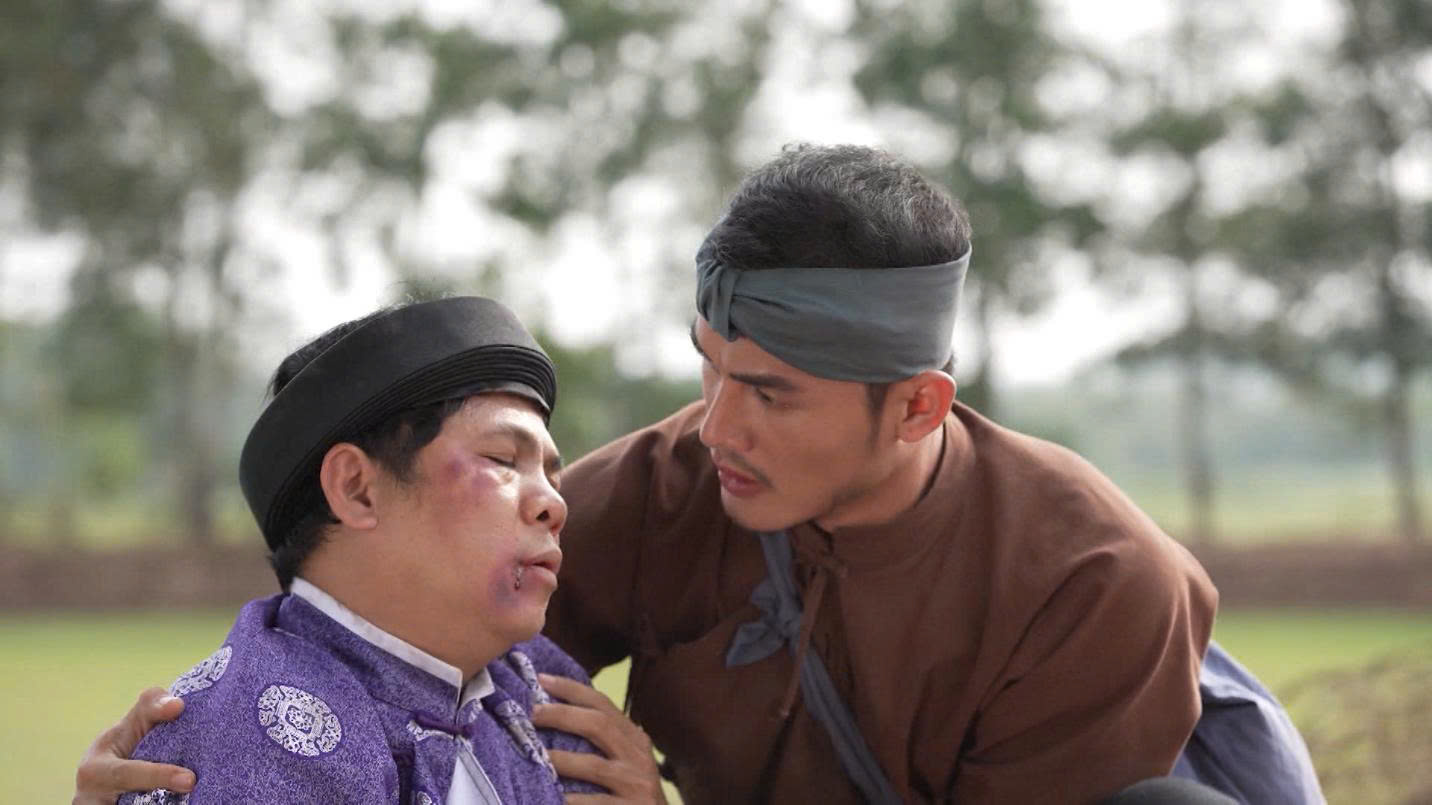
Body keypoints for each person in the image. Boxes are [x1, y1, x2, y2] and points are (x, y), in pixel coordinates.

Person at [79, 145, 1271, 803]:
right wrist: (186, 756)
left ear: (917, 405)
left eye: (771, 392)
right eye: (709, 367)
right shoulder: (665, 486)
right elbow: (383, 589)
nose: (715, 425)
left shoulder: (1095, 581)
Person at [97, 297, 661, 803]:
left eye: (552, 476)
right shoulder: (248, 739)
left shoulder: (539, 693)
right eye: (501, 460)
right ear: (356, 489)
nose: (554, 504)